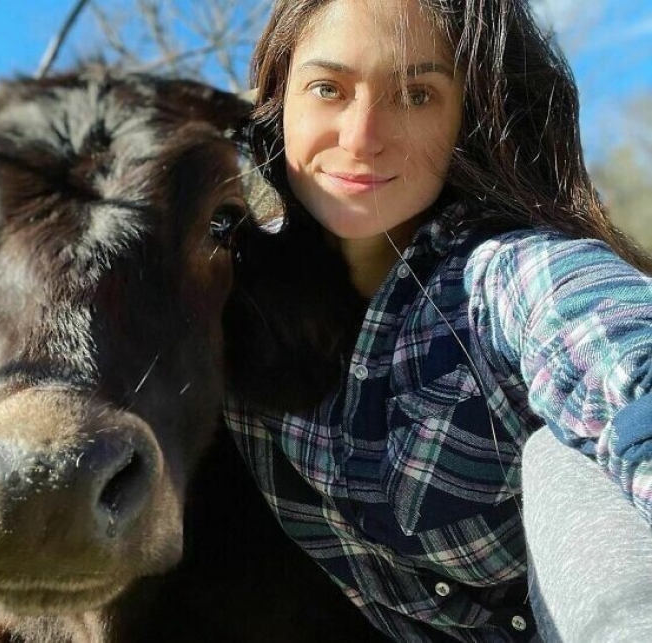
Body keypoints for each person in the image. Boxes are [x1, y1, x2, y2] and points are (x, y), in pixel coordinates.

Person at [223, 0, 652, 641]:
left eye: (417, 95)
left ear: (468, 118)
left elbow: (613, 344)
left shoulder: (507, 276)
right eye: (328, 88)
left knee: (557, 464)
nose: (362, 136)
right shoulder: (226, 296)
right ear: (280, 99)